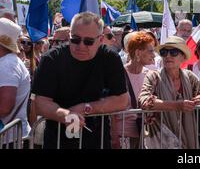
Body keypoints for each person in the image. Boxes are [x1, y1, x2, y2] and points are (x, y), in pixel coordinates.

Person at [32, 12, 128, 149]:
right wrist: (65, 115)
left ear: (100, 40)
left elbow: (122, 100)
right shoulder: (51, 59)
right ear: (69, 36)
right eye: (75, 39)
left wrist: (86, 108)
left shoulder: (110, 58)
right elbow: (40, 103)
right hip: (58, 140)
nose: (81, 46)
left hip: (97, 140)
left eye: (88, 41)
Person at [138, 36, 200, 149]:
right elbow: (144, 100)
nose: (168, 56)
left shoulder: (189, 77)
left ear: (183, 57)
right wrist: (177, 105)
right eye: (164, 52)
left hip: (186, 135)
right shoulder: (153, 76)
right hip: (160, 137)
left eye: (173, 52)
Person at [111, 32, 155, 149]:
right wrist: (114, 137)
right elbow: (111, 110)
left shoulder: (151, 75)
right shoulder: (118, 74)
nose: (154, 55)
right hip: (122, 137)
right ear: (138, 53)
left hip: (145, 136)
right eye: (150, 51)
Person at [0, 18, 31, 146]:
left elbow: (5, 107)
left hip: (8, 139)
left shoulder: (7, 65)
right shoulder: (10, 62)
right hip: (12, 136)